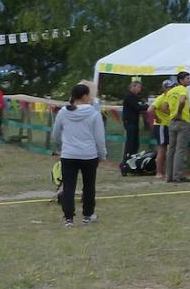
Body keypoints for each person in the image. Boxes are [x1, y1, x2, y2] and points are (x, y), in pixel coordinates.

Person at [50, 82, 108, 226]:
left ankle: (68, 217)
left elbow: (55, 134)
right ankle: (88, 214)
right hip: (89, 155)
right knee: (89, 186)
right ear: (84, 96)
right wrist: (102, 154)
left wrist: (61, 145)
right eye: (89, 95)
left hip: (69, 154)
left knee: (68, 186)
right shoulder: (94, 114)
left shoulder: (63, 112)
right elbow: (99, 138)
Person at [165, 71, 190, 183]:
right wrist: (179, 113)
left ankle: (169, 175)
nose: (189, 80)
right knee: (180, 149)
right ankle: (178, 175)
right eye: (187, 78)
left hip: (172, 122)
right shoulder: (183, 89)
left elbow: (164, 106)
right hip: (182, 121)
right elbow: (182, 101)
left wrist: (172, 114)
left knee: (171, 148)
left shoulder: (170, 91)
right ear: (181, 80)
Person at [152, 78, 174, 178]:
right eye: (170, 87)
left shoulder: (170, 98)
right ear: (165, 88)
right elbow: (150, 109)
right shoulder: (161, 98)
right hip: (161, 126)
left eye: (173, 87)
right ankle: (159, 172)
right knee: (162, 149)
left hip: (168, 125)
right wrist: (157, 118)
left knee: (168, 149)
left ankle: (165, 171)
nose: (172, 89)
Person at [120, 79, 147, 161]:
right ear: (133, 87)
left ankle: (132, 159)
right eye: (139, 87)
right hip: (130, 122)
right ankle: (126, 161)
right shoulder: (130, 97)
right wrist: (147, 106)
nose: (140, 89)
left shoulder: (135, 97)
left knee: (135, 143)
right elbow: (137, 107)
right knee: (130, 143)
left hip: (134, 122)